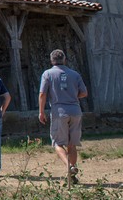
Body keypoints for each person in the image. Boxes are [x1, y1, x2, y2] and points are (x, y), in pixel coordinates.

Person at [38, 49, 88, 184]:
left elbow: (42, 94)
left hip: (59, 111)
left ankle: (70, 166)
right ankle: (72, 177)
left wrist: (41, 112)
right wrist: (72, 96)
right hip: (76, 111)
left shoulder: (48, 74)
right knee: (72, 144)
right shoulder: (75, 74)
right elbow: (84, 93)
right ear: (64, 59)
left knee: (58, 143)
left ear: (51, 60)